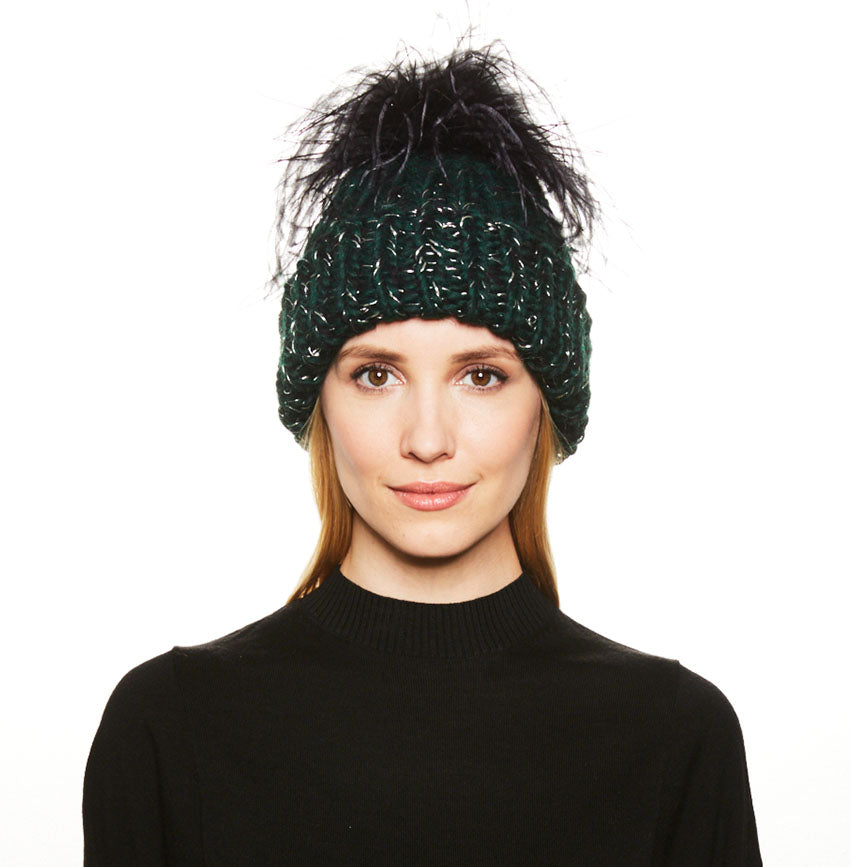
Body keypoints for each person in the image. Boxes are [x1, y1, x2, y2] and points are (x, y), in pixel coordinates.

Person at [82, 42, 763, 865]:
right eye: (376, 374)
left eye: (481, 375)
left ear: (544, 403)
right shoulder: (169, 727)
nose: (428, 438)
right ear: (318, 400)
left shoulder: (674, 736)